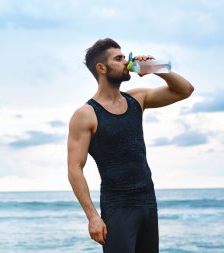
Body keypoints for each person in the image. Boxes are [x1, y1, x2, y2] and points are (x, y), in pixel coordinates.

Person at [67, 38, 194, 253]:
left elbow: (185, 90)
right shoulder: (85, 115)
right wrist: (93, 217)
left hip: (147, 202)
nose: (126, 62)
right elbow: (74, 168)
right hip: (117, 207)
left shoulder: (138, 98)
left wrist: (155, 68)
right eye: (118, 59)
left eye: (125, 57)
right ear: (101, 68)